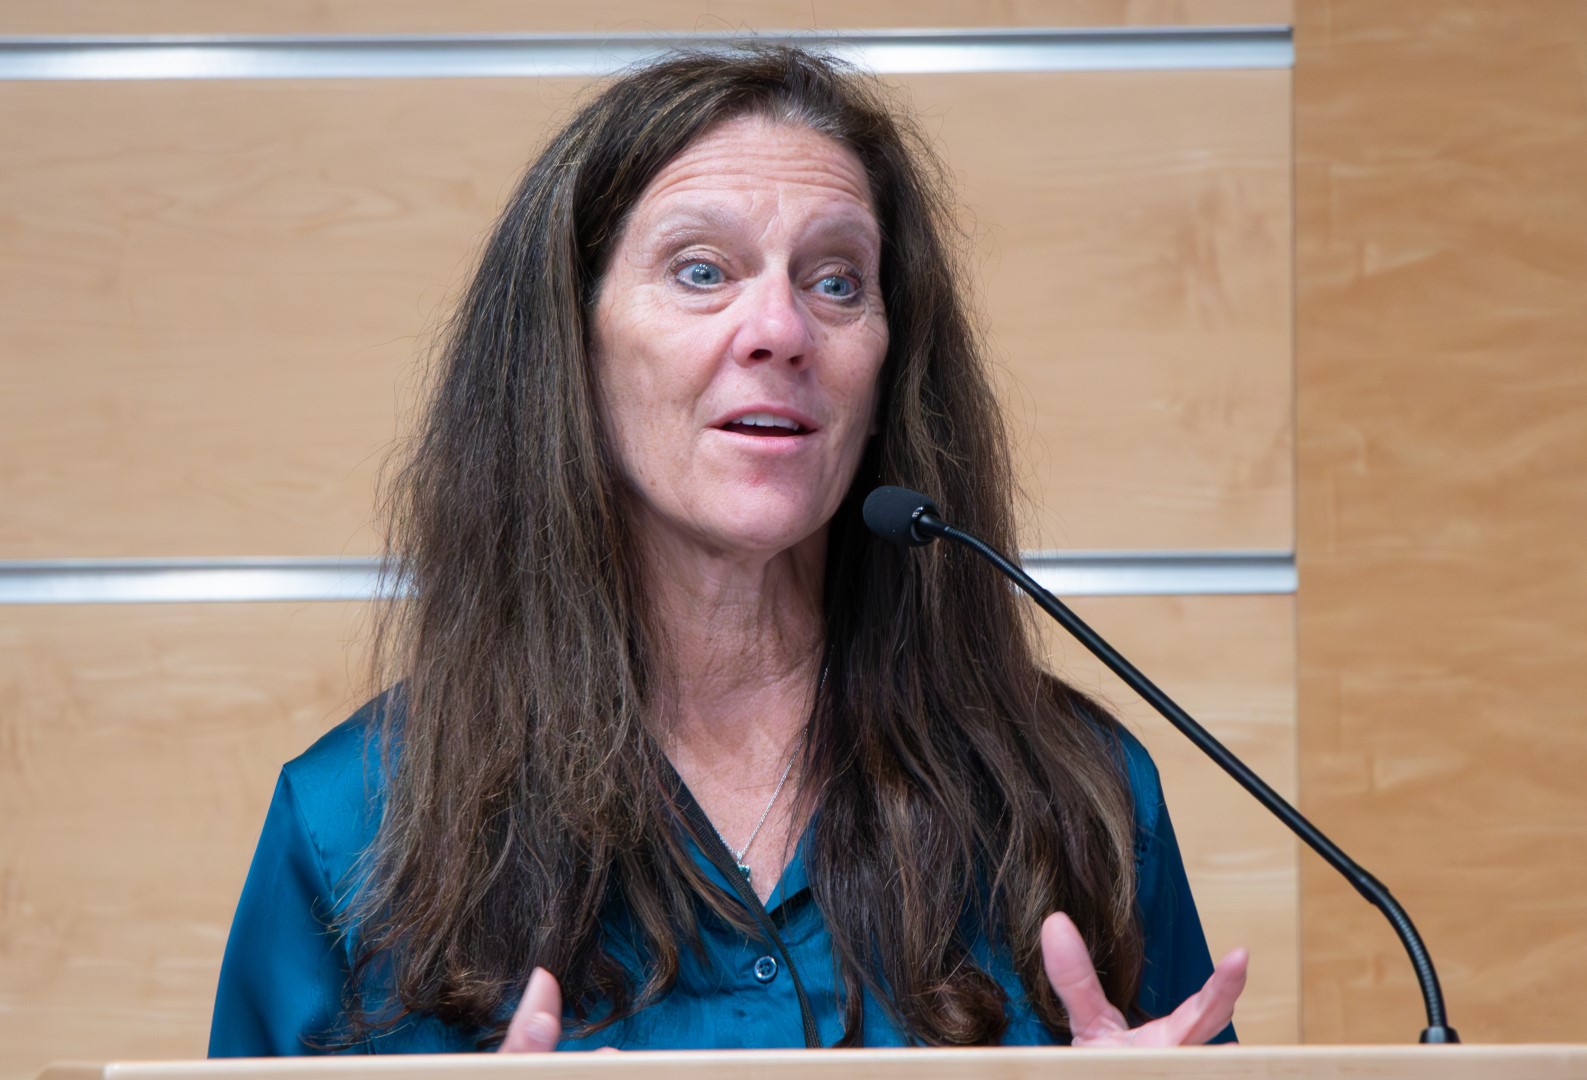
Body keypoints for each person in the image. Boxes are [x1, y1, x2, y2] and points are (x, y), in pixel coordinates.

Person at [208, 44, 1247, 1056]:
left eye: (836, 282)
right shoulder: (353, 825)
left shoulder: (1076, 796)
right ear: (569, 347)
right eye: (701, 271)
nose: (781, 328)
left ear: (889, 369)